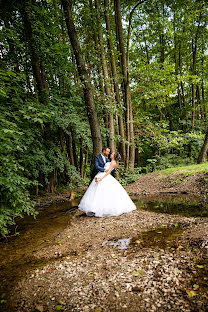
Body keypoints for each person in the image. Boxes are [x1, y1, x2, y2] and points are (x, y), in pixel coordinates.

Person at [78, 152, 136, 217]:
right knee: (97, 192)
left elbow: (109, 172)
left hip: (105, 177)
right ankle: (95, 208)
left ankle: (103, 209)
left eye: (112, 154)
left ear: (114, 156)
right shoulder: (110, 161)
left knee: (104, 193)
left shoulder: (113, 162)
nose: (110, 154)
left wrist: (101, 178)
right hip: (102, 174)